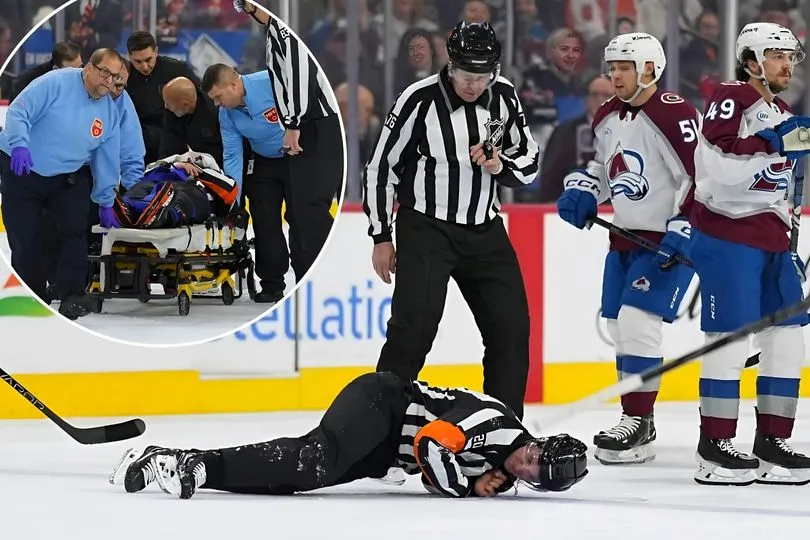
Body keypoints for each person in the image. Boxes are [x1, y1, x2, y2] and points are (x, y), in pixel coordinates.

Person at [362, 21, 539, 421]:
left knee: (511, 330)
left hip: (485, 230)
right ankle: (380, 431)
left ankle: (504, 430)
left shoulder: (505, 95)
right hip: (427, 228)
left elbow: (529, 160)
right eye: (465, 74)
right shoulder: (418, 100)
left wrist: (501, 164)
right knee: (413, 331)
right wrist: (381, 235)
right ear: (449, 63)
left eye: (482, 76)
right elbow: (380, 169)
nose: (473, 84)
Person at [555, 33, 700, 465]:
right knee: (618, 325)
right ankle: (642, 420)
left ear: (650, 70)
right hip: (624, 236)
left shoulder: (674, 114)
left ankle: (635, 422)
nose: (614, 74)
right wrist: (584, 188)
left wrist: (685, 226)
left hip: (665, 242)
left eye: (624, 67)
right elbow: (603, 167)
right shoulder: (607, 116)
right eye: (611, 67)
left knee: (638, 322)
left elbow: (700, 175)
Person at [109, 372, 588, 500]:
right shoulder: (498, 427)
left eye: (535, 471)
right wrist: (467, 487)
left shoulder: (502, 470)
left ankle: (172, 459)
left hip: (383, 446)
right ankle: (196, 463)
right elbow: (431, 444)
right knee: (317, 460)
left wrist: (478, 482)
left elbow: (426, 475)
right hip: (382, 405)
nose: (528, 460)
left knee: (300, 475)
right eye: (536, 452)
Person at [689, 22, 810, 486]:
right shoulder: (732, 97)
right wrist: (771, 143)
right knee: (730, 340)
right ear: (753, 60)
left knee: (787, 340)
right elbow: (719, 167)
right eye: (777, 55)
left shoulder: (781, 110)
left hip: (771, 240)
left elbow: (781, 181)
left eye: (790, 56)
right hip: (728, 234)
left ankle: (772, 444)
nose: (787, 65)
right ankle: (714, 447)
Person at [0, 48, 124, 320]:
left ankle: (71, 293)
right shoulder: (54, 83)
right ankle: (33, 294)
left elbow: (106, 159)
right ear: (89, 68)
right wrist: (19, 144)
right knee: (26, 238)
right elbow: (19, 112)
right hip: (23, 168)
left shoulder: (109, 112)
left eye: (115, 77)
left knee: (75, 231)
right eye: (105, 73)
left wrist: (105, 199)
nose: (109, 81)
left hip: (66, 176)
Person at [234, 0, 344, 281]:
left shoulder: (283, 31)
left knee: (309, 209)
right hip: (308, 124)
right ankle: (309, 275)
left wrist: (293, 123)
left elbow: (298, 75)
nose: (245, 11)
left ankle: (325, 277)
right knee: (302, 211)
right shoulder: (274, 33)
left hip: (313, 125)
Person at [202, 64, 288, 303]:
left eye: (218, 97)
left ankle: (306, 275)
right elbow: (232, 155)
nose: (217, 104)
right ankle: (272, 284)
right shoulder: (226, 114)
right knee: (264, 220)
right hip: (263, 162)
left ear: (233, 84)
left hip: (298, 156)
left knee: (302, 219)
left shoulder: (272, 82)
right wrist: (234, 202)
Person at [125, 31, 201, 165]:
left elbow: (198, 98)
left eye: (148, 59)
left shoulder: (176, 69)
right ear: (129, 56)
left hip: (173, 134)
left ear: (156, 52)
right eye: (138, 61)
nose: (144, 67)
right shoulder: (124, 74)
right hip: (138, 138)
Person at [160, 76, 224, 165]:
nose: (166, 106)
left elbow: (226, 152)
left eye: (168, 104)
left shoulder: (217, 114)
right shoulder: (174, 106)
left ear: (185, 104)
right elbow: (170, 143)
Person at [10, 40, 83, 102]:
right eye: (70, 71)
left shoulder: (86, 74)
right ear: (56, 69)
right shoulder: (28, 83)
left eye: (80, 67)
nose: (78, 74)